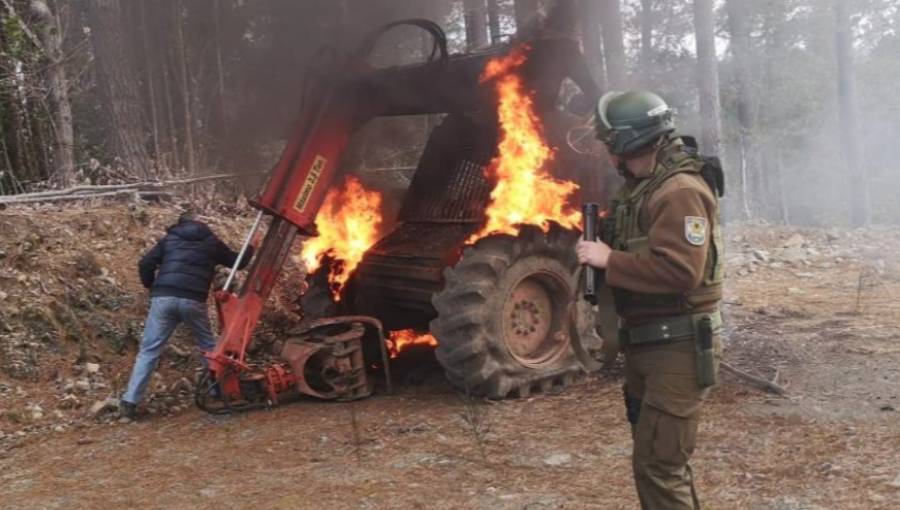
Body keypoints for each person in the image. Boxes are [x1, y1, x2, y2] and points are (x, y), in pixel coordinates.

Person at [576, 91, 725, 510]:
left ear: (625, 141)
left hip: (676, 347)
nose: (604, 150)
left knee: (660, 467)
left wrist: (608, 258)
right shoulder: (642, 187)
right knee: (658, 462)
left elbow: (681, 272)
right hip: (649, 343)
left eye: (607, 141)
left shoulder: (678, 190)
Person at [121, 211, 257, 420]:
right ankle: (216, 391)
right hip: (193, 299)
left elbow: (144, 264)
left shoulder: (169, 239)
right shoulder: (210, 241)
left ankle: (130, 402)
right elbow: (237, 262)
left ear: (179, 223)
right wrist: (252, 246)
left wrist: (151, 285)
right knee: (208, 347)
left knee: (149, 351)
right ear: (198, 222)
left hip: (163, 298)